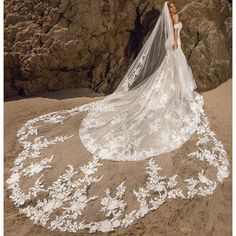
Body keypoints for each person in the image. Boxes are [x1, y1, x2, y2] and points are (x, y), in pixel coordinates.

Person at [6, 1, 229, 233]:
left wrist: (174, 41)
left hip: (174, 47)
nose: (174, 12)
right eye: (171, 9)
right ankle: (175, 98)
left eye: (174, 9)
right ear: (168, 11)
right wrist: (174, 43)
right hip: (174, 47)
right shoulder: (172, 22)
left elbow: (174, 33)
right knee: (170, 79)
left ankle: (176, 96)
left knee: (170, 78)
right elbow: (174, 35)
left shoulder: (172, 19)